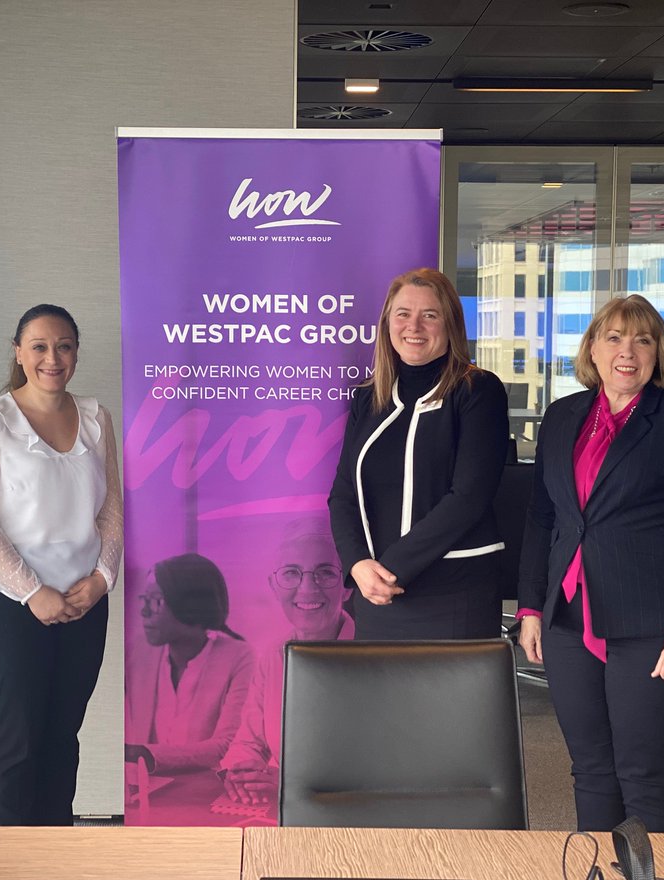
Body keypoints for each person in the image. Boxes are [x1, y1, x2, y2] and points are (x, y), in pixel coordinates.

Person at [516, 294, 664, 834]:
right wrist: (530, 607)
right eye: (613, 337)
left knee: (648, 777)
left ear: (659, 352)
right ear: (592, 347)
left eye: (642, 339)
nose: (627, 351)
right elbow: (544, 519)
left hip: (653, 624)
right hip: (569, 617)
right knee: (590, 771)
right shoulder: (564, 416)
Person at [0, 303, 123, 826]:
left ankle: (53, 860)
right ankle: (5, 871)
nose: (53, 358)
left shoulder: (96, 417)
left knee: (61, 738)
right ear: (19, 353)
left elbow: (112, 508)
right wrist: (33, 592)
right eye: (40, 346)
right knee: (16, 740)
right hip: (9, 606)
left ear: (76, 353)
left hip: (84, 604)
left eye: (64, 346)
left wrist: (101, 580)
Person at [328, 267, 510, 639]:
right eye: (403, 314)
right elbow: (343, 494)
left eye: (430, 315)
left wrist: (389, 569)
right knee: (382, 698)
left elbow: (468, 497)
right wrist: (358, 565)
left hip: (455, 592)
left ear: (450, 325)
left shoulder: (477, 390)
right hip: (377, 595)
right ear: (387, 323)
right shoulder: (368, 396)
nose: (414, 326)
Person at [220, 517, 354, 808]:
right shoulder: (272, 656)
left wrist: (288, 784)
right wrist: (241, 774)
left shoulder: (376, 655)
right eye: (292, 573)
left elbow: (378, 761)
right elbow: (248, 742)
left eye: (325, 573)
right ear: (273, 585)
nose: (307, 589)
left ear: (347, 586)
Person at [124, 553, 254, 774]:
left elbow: (225, 745)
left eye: (155, 601)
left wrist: (141, 753)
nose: (144, 611)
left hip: (204, 795)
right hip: (146, 792)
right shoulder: (138, 651)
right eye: (144, 600)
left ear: (191, 604)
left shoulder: (238, 656)